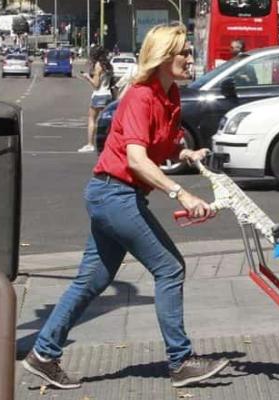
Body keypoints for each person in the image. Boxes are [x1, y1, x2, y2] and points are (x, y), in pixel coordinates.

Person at [22, 22, 230, 390]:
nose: (190, 58)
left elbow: (160, 148)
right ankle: (181, 362)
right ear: (164, 57)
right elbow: (136, 159)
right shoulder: (140, 97)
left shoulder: (170, 97)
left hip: (121, 195)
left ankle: (43, 353)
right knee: (170, 268)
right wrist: (181, 194)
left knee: (93, 280)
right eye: (183, 53)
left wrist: (186, 152)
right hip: (113, 194)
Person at [78, 47, 114, 153]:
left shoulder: (98, 66)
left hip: (99, 95)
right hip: (108, 95)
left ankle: (90, 144)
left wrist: (87, 77)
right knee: (108, 121)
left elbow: (96, 85)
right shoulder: (108, 65)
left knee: (92, 119)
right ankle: (109, 143)